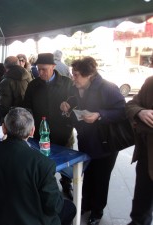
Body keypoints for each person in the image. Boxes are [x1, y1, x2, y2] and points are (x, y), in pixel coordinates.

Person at [0, 107, 76, 225]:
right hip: (28, 220)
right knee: (69, 208)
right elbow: (53, 206)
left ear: (4, 128)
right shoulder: (43, 164)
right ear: (32, 131)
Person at [60, 56, 126, 225]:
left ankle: (97, 211)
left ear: (89, 75)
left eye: (76, 75)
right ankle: (86, 203)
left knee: (101, 177)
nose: (73, 78)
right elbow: (73, 102)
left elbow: (123, 111)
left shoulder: (107, 88)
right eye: (73, 74)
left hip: (105, 142)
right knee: (87, 175)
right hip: (85, 139)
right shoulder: (76, 87)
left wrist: (100, 115)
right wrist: (66, 105)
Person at [23, 53, 74, 200]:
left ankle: (66, 184)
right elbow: (27, 107)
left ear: (53, 67)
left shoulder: (67, 83)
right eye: (38, 69)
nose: (40, 73)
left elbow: (76, 103)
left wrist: (69, 112)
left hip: (63, 131)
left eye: (44, 69)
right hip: (40, 131)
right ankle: (44, 187)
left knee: (66, 163)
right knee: (42, 162)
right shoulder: (33, 85)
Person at [126, 76, 153, 225]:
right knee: (141, 199)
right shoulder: (150, 82)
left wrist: (139, 125)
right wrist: (140, 112)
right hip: (146, 155)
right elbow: (131, 105)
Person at [0, 56, 32, 122]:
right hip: (26, 117)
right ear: (18, 64)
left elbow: (4, 106)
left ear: (5, 66)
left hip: (11, 119)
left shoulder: (5, 82)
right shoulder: (29, 76)